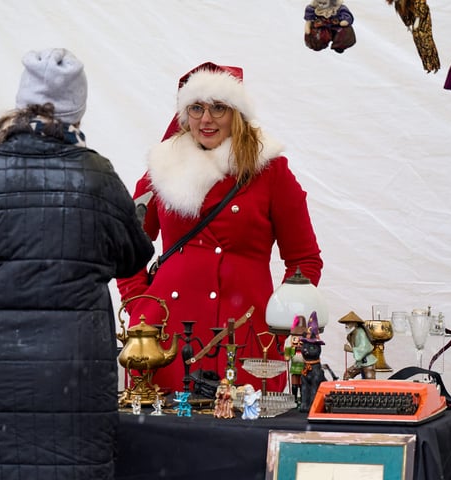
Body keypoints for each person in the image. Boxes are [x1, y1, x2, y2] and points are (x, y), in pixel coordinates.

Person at [0, 48, 154, 480]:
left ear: (21, 104)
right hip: (74, 380)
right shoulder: (97, 177)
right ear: (78, 111)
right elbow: (134, 256)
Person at [116, 62, 324, 394]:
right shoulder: (161, 168)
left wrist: (285, 323)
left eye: (218, 107)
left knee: (243, 423)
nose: (206, 119)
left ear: (236, 113)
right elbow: (125, 248)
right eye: (196, 108)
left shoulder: (270, 171)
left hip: (247, 334)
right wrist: (140, 308)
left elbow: (304, 260)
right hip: (166, 334)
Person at [386, 0, 441, 73]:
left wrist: (417, 19)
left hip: (422, 17)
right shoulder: (398, 4)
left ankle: (434, 65)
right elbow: (406, 19)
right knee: (418, 41)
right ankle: (429, 66)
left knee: (426, 40)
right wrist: (408, 22)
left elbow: (422, 8)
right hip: (415, 19)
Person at [339, 311, 377, 380]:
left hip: (367, 362)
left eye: (349, 323)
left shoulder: (361, 333)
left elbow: (365, 348)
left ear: (355, 324)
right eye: (346, 323)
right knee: (347, 375)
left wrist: (350, 349)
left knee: (369, 380)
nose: (346, 326)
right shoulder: (351, 334)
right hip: (359, 363)